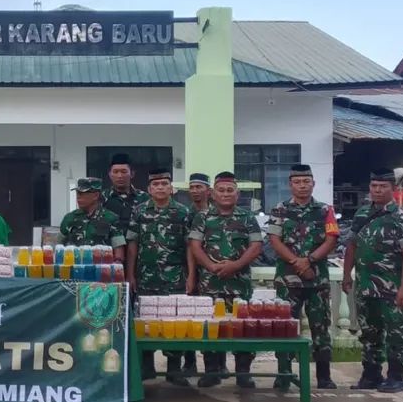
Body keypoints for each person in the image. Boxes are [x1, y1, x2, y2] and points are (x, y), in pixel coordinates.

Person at [342, 169, 403, 393]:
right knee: (369, 332)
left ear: (392, 189)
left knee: (397, 332)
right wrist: (347, 275)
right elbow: (352, 246)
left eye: (383, 186)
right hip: (366, 285)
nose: (377, 190)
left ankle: (396, 376)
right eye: (374, 186)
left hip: (392, 287)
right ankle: (371, 375)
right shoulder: (361, 214)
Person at [267, 164, 340, 390]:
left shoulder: (325, 210)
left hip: (317, 281)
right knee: (285, 328)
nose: (302, 186)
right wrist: (297, 263)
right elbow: (274, 240)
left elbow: (331, 239)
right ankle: (284, 374)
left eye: (306, 181)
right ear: (290, 185)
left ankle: (324, 376)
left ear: (313, 184)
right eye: (297, 182)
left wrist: (309, 260)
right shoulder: (279, 209)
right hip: (287, 281)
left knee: (321, 327)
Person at [189, 171, 263, 388]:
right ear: (213, 194)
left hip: (239, 284)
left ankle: (243, 373)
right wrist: (211, 266)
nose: (225, 194)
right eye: (221, 190)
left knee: (243, 328)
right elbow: (195, 246)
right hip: (210, 284)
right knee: (210, 328)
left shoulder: (247, 218)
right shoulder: (202, 217)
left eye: (230, 190)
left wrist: (236, 265)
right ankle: (212, 371)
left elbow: (256, 246)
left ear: (237, 194)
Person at [126, 169, 196, 384]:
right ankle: (147, 367)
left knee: (174, 322)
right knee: (145, 321)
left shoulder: (183, 212)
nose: (160, 188)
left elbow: (190, 246)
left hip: (175, 277)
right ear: (149, 189)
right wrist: (130, 274)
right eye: (156, 185)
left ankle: (174, 369)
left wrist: (191, 275)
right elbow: (132, 244)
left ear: (171, 188)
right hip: (146, 276)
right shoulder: (139, 211)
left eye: (164, 184)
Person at [58, 177, 126, 260]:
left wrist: (117, 263)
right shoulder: (70, 218)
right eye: (77, 193)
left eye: (82, 193)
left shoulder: (111, 218)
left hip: (100, 266)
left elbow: (119, 251)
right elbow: (58, 247)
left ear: (96, 195)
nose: (78, 197)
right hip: (74, 265)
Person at [102, 153, 150, 236]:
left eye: (124, 172)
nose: (120, 176)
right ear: (110, 174)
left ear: (132, 174)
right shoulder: (101, 198)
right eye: (115, 172)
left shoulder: (145, 198)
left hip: (137, 241)